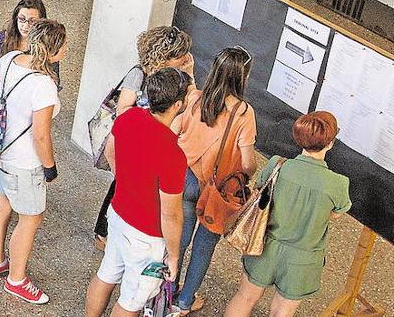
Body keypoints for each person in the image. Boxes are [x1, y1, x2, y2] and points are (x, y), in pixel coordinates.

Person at [0, 20, 67, 305]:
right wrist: (50, 166)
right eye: (64, 45)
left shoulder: (11, 59)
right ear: (52, 50)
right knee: (30, 219)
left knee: (2, 205)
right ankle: (17, 279)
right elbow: (40, 135)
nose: (67, 49)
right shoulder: (45, 85)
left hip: (0, 151)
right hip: (25, 162)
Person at [84, 68, 191, 317]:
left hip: (118, 212)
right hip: (146, 237)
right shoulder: (173, 154)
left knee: (105, 275)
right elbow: (171, 215)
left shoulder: (129, 117)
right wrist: (174, 257)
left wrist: (127, 182)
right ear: (177, 105)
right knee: (131, 301)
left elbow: (110, 152)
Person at [222, 112, 350, 317]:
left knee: (245, 298)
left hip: (263, 246)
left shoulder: (277, 165)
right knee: (282, 312)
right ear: (331, 143)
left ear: (299, 138)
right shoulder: (338, 183)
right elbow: (336, 214)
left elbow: (259, 191)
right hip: (302, 259)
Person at [171, 48, 257, 317]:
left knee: (178, 239)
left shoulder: (195, 99)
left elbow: (173, 132)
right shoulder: (244, 113)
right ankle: (184, 301)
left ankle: (166, 289)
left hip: (184, 177)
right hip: (218, 190)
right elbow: (247, 163)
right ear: (243, 76)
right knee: (203, 248)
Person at [95, 25, 195, 243]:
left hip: (153, 142)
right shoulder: (138, 75)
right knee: (119, 186)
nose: (185, 59)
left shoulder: (173, 78)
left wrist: (189, 73)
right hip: (136, 141)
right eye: (180, 56)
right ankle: (103, 230)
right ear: (165, 56)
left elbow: (191, 99)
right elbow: (123, 110)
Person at [0, 0, 49, 233]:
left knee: (12, 163)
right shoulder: (0, 41)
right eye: (21, 19)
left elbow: (53, 80)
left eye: (31, 21)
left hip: (25, 117)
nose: (25, 25)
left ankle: (0, 198)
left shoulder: (45, 47)